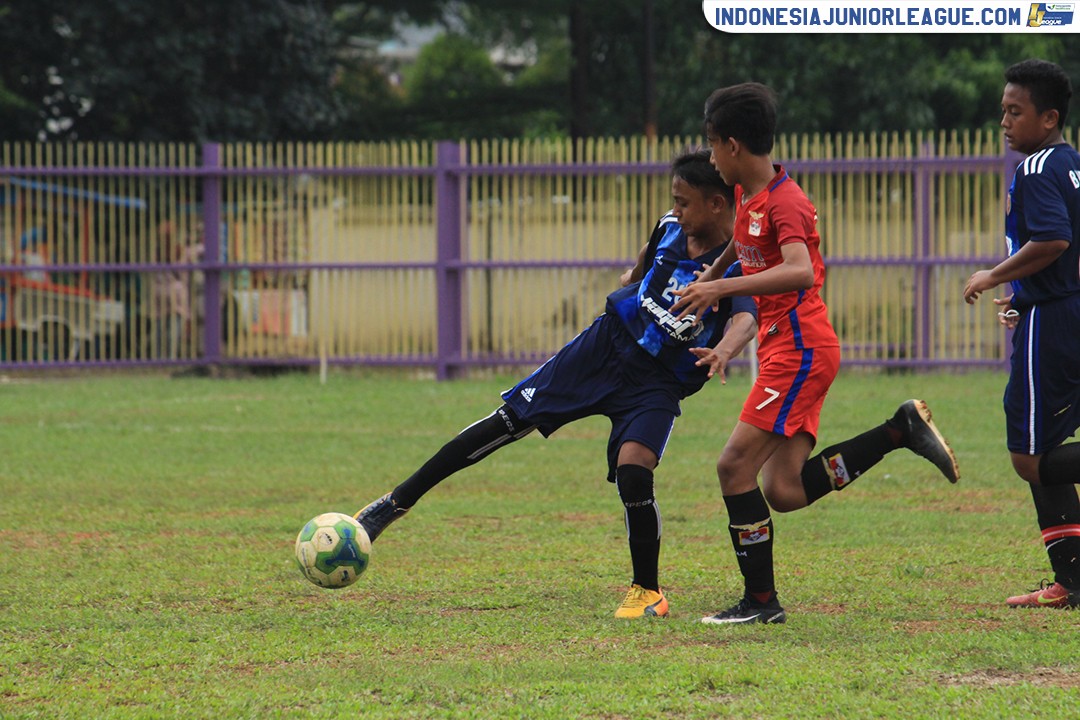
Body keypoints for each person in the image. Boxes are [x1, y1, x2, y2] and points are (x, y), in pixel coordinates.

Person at [353, 149, 758, 618]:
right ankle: (395, 502)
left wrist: (724, 351)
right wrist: (635, 277)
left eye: (684, 202)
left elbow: (745, 320)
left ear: (716, 204)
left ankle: (647, 591)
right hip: (604, 348)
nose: (676, 209)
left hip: (659, 380)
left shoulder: (739, 265)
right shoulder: (670, 226)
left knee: (634, 470)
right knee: (508, 421)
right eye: (675, 200)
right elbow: (649, 258)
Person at [670, 83, 961, 625]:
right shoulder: (747, 195)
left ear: (732, 145)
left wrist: (719, 291)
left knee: (733, 466)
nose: (709, 156)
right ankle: (898, 430)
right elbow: (743, 237)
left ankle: (760, 603)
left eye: (711, 145)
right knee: (781, 490)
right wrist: (710, 275)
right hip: (792, 347)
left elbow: (801, 270)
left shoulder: (788, 201)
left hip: (800, 349)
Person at [963, 59, 1080, 610]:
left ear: (1049, 117)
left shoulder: (1036, 168)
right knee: (1047, 447)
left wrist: (994, 275)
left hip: (1054, 326)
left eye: (1016, 111)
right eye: (1003, 110)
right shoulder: (1073, 165)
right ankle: (1072, 582)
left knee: (1030, 457)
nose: (1004, 121)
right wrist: (1029, 293)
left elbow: (1054, 239)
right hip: (1060, 309)